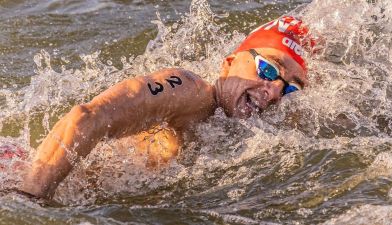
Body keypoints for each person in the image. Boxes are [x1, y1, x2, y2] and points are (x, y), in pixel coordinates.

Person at [19, 16, 315, 199]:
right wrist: (31, 200)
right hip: (23, 179)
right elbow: (87, 118)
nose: (275, 92)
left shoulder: (258, 129)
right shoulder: (189, 91)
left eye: (289, 87)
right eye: (266, 70)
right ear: (228, 64)